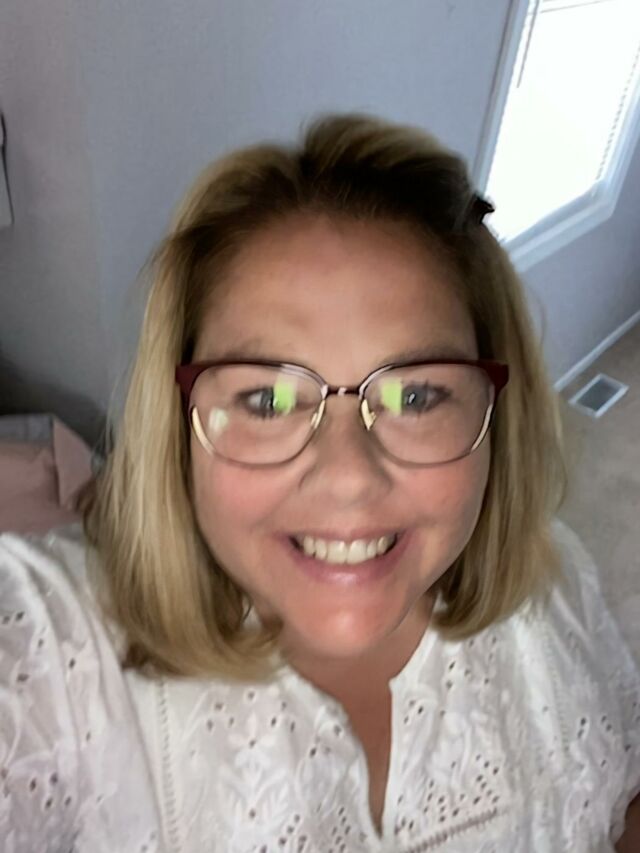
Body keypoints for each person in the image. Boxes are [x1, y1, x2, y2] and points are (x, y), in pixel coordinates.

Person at [1, 114, 638, 853]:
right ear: (177, 425)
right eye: (266, 399)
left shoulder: (552, 577)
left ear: (496, 411)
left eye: (416, 395)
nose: (348, 479)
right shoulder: (55, 658)